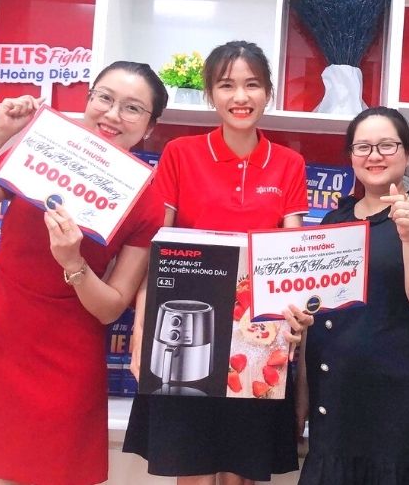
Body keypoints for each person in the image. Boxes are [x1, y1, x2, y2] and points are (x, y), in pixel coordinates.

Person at [0, 61, 168, 485]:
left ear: (150, 126)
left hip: (68, 352)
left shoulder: (147, 202)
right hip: (0, 332)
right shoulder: (40, 149)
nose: (113, 114)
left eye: (132, 108)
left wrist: (73, 263)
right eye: (104, 98)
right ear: (89, 98)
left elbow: (111, 307)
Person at [123, 40, 313, 485]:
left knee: (240, 473)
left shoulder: (289, 164)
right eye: (227, 85)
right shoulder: (181, 153)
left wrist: (295, 325)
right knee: (189, 467)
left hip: (258, 340)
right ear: (210, 93)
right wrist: (141, 334)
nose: (240, 97)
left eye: (252, 85)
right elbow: (157, 253)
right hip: (186, 335)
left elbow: (293, 261)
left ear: (268, 92)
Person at [297, 106, 409, 485]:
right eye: (363, 147)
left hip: (403, 405)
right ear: (351, 156)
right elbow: (315, 315)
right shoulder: (333, 221)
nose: (374, 156)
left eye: (387, 145)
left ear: (407, 153)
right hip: (337, 398)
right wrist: (302, 395)